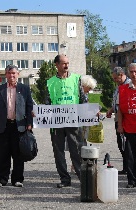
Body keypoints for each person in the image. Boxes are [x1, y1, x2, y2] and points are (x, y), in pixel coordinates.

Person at [0, 64, 33, 188]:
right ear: (6, 75)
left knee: (18, 154)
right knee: (2, 153)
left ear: (18, 74)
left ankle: (17, 179)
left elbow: (29, 106)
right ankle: (1, 179)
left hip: (19, 126)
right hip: (3, 126)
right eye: (9, 73)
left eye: (14, 73)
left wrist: (29, 123)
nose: (12, 75)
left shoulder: (25, 88)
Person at [46, 54, 86, 188]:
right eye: (63, 63)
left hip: (73, 121)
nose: (66, 65)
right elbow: (47, 102)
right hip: (56, 122)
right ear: (56, 65)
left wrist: (91, 111)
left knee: (76, 149)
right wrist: (39, 113)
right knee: (58, 151)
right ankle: (65, 179)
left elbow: (82, 99)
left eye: (67, 63)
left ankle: (82, 178)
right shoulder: (50, 82)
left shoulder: (76, 79)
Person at [106, 66, 131, 175]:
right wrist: (111, 110)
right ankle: (126, 167)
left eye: (116, 78)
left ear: (121, 75)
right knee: (121, 144)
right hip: (118, 117)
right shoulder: (119, 86)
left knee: (128, 144)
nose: (114, 81)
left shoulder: (129, 85)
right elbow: (116, 101)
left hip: (127, 119)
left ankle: (133, 167)